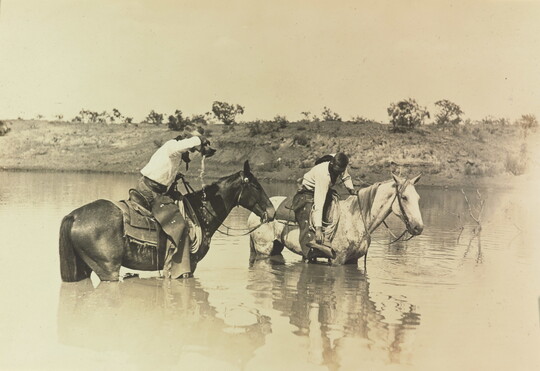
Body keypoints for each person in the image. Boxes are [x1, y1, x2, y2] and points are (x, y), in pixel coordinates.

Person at [136, 131, 212, 278]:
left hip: (154, 188)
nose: (191, 154)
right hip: (151, 191)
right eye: (191, 150)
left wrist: (173, 178)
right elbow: (183, 145)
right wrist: (199, 139)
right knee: (180, 225)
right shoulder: (172, 147)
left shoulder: (175, 155)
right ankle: (175, 269)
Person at [292, 152, 356, 260]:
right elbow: (319, 202)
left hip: (326, 187)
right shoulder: (323, 175)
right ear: (332, 164)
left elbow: (346, 177)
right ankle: (310, 249)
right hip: (309, 190)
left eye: (341, 171)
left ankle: (329, 236)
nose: (339, 173)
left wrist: (351, 189)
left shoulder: (340, 162)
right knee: (309, 214)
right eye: (337, 171)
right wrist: (318, 229)